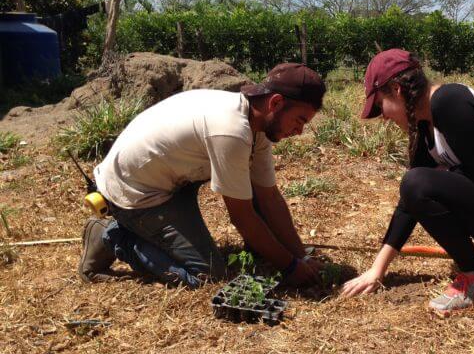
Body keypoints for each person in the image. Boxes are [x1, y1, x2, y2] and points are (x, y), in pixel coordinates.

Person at [341, 49, 474, 315]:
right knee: (418, 183)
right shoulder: (426, 124)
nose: (384, 117)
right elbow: (410, 201)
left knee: (420, 182)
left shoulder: (448, 101)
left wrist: (441, 180)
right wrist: (377, 269)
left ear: (397, 90)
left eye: (380, 106)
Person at [78, 63, 326, 288]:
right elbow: (242, 216)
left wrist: (300, 256)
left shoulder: (256, 121)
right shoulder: (231, 131)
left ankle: (264, 249)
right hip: (134, 192)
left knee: (258, 201)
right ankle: (111, 235)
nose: (300, 131)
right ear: (276, 103)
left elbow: (269, 196)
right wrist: (290, 267)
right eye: (299, 120)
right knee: (206, 275)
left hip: (170, 178)